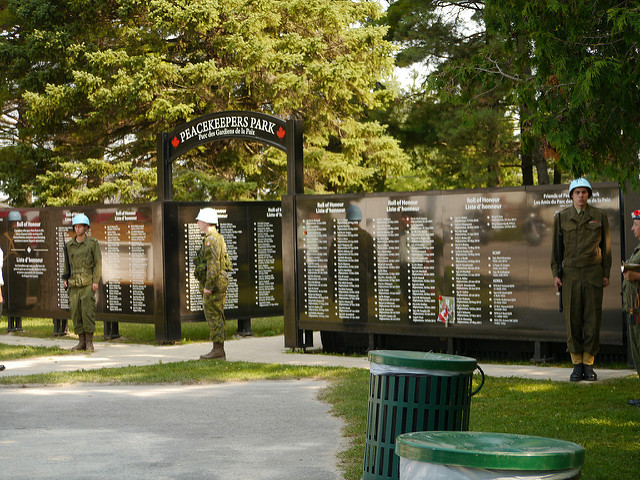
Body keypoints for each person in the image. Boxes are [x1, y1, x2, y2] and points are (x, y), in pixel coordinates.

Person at [551, 178, 611, 381]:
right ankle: (577, 364)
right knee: (573, 319)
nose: (581, 195)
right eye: (577, 192)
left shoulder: (599, 216)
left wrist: (606, 273)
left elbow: (607, 249)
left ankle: (589, 364)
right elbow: (556, 251)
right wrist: (556, 274)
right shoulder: (561, 218)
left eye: (584, 192)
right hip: (571, 275)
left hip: (593, 273)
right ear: (571, 195)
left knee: (592, 319)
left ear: (589, 194)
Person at [194, 208, 231, 360]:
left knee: (214, 315)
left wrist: (208, 286)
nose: (197, 223)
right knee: (216, 314)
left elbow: (213, 265)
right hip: (218, 281)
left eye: (199, 220)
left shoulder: (211, 240)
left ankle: (218, 350)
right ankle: (218, 349)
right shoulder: (216, 238)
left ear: (205, 222)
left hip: (214, 284)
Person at [63, 214, 102, 352]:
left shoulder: (92, 244)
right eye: (76, 226)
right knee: (76, 312)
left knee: (87, 312)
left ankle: (89, 342)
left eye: (80, 226)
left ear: (86, 227)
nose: (78, 228)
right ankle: (81, 341)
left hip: (86, 283)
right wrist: (65, 279)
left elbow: (98, 263)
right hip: (73, 284)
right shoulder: (69, 245)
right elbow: (66, 264)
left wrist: (95, 281)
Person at [622, 209, 640, 406]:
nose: (632, 228)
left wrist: (635, 276)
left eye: (635, 224)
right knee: (637, 350)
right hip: (634, 310)